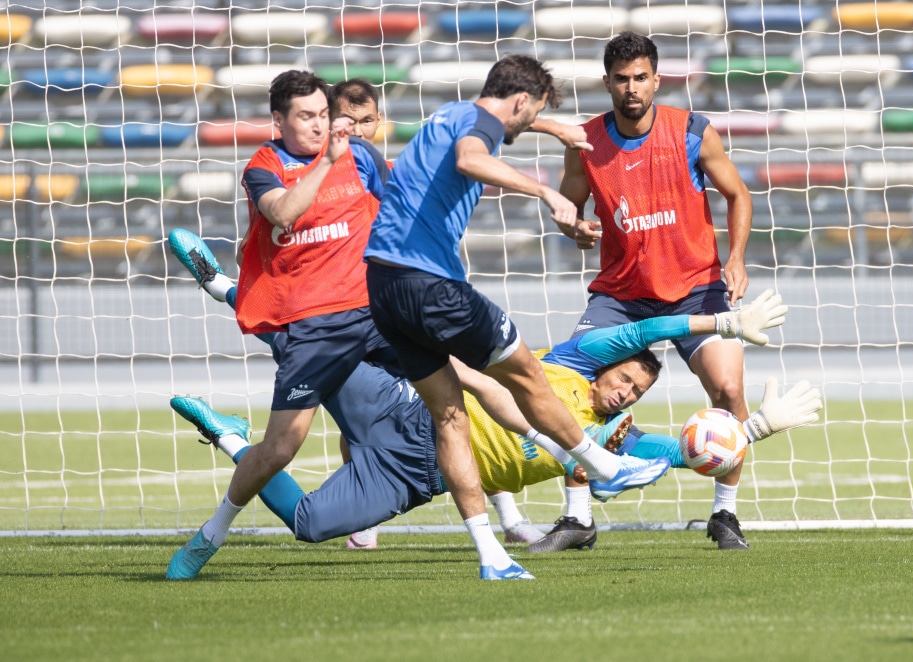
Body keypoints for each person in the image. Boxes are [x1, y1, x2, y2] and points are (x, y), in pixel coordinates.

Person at [169, 232, 817, 556]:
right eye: (624, 379)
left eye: (636, 393)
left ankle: (227, 434)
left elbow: (681, 452)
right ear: (607, 368)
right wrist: (723, 323)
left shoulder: (605, 441)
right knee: (310, 348)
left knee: (309, 526)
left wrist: (755, 426)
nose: (624, 394)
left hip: (417, 477)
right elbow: (649, 327)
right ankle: (227, 287)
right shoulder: (568, 361)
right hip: (415, 407)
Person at [361, 53, 675, 580]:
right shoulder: (476, 128)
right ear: (521, 100)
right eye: (531, 115)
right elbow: (471, 158)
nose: (526, 126)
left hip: (383, 286)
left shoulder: (451, 112)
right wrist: (547, 190)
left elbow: (496, 126)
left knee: (450, 418)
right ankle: (603, 469)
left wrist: (551, 126)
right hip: (430, 283)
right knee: (530, 374)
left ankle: (492, 556)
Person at [165, 70, 396, 581]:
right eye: (306, 116)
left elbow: (400, 205)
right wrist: (328, 162)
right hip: (305, 321)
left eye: (323, 115)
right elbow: (284, 215)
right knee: (281, 448)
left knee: (458, 379)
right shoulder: (264, 166)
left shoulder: (362, 156)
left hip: (371, 312)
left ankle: (505, 528)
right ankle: (212, 533)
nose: (319, 126)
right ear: (278, 120)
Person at [557, 32, 759, 548]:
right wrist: (574, 228)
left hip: (696, 288)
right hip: (622, 295)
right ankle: (578, 518)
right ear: (607, 82)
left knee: (730, 391)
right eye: (621, 79)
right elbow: (567, 208)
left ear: (656, 79)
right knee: (579, 387)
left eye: (640, 77)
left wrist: (735, 259)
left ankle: (725, 513)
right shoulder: (585, 144)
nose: (631, 88)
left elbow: (738, 195)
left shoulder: (692, 132)